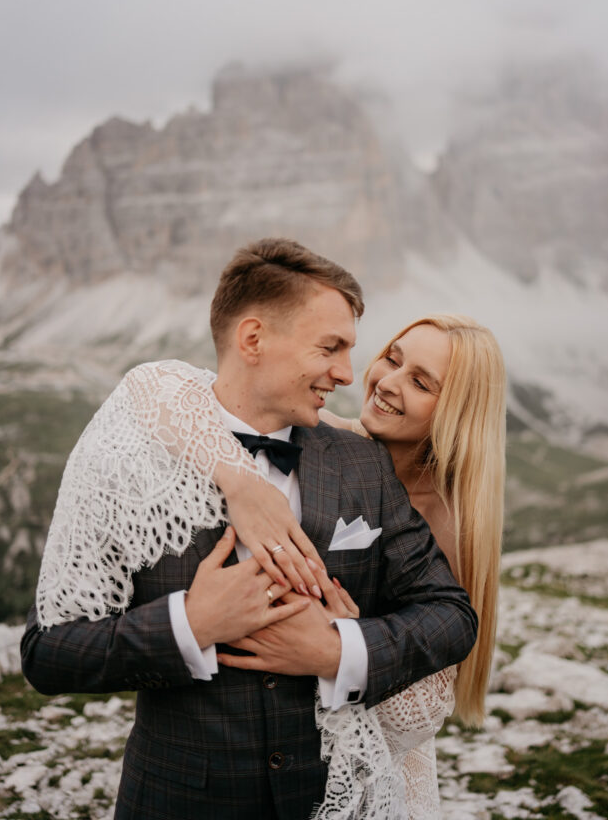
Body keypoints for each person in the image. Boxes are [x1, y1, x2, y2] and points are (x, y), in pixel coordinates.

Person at [21, 238, 478, 820]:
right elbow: (48, 651)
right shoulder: (124, 461)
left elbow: (451, 615)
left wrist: (338, 649)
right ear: (253, 339)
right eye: (330, 348)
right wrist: (191, 624)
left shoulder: (363, 462)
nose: (347, 374)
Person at [197, 313, 506, 818]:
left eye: (420, 382)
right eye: (392, 359)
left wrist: (345, 644)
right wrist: (237, 483)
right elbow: (160, 386)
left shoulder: (449, 519)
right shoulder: (332, 436)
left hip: (376, 773)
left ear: (456, 412)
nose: (388, 382)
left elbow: (424, 709)